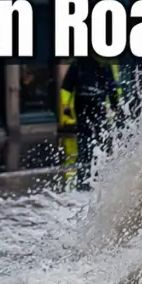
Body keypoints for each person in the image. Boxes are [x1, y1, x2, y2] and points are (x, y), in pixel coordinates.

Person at [58, 56, 122, 187]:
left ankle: (84, 178)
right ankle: (96, 176)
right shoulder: (103, 63)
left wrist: (65, 106)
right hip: (95, 102)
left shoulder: (78, 63)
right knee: (99, 138)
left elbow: (66, 86)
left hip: (82, 102)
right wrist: (115, 103)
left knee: (84, 140)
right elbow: (111, 85)